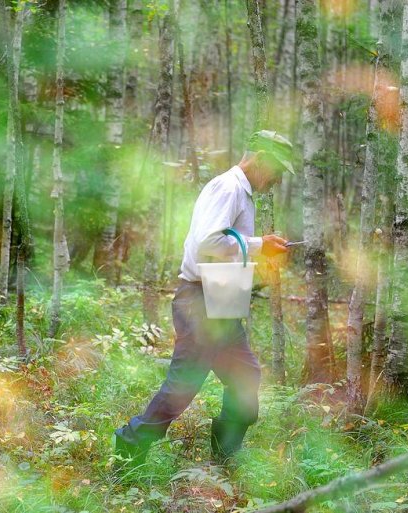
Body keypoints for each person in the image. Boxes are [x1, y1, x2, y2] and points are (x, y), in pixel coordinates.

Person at [113, 130, 295, 468]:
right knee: (183, 385)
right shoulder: (228, 187)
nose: (278, 179)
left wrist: (259, 253)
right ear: (261, 159)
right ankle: (129, 446)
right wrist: (258, 244)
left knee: (245, 376)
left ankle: (224, 456)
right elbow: (207, 242)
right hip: (201, 301)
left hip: (220, 297)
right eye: (278, 170)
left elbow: (223, 247)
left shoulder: (241, 193)